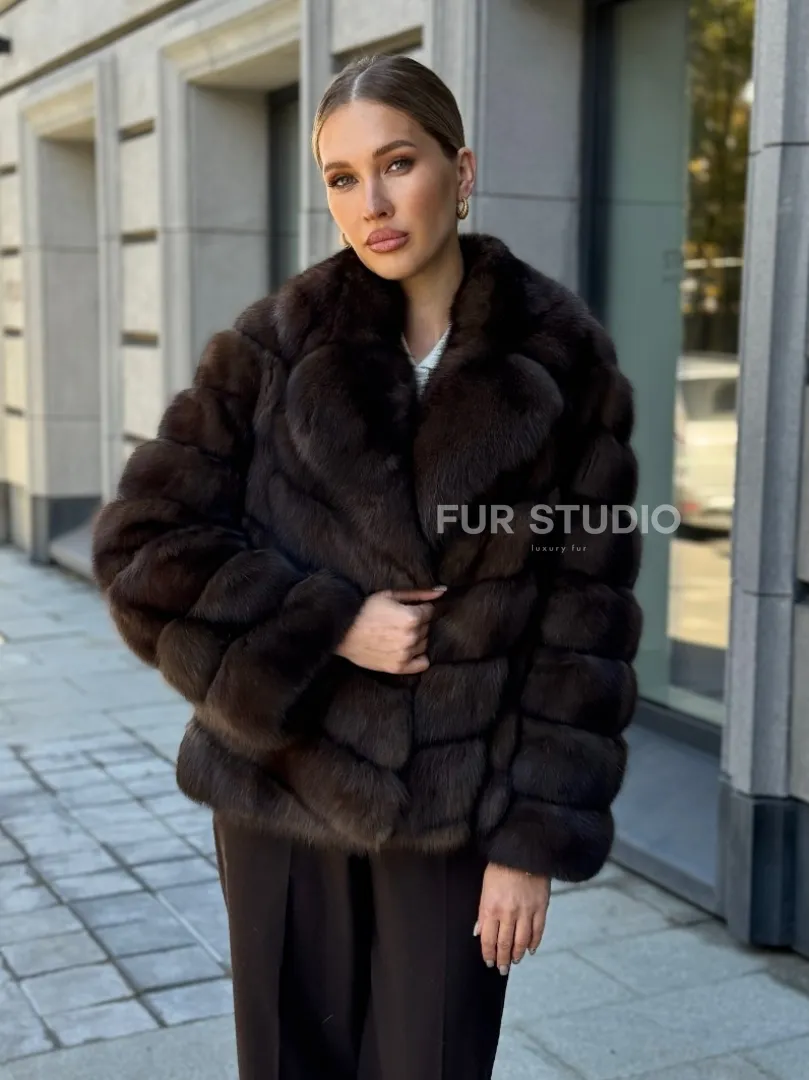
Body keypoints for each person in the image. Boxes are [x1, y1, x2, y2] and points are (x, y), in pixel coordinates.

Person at [91, 53, 641, 1080]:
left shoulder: (564, 364)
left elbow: (584, 619)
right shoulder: (272, 345)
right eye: (342, 178)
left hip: (457, 809)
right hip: (280, 786)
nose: (372, 204)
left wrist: (528, 843)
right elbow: (140, 548)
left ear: (459, 170)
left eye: (397, 164)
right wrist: (329, 623)